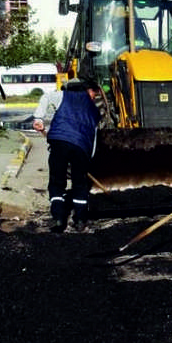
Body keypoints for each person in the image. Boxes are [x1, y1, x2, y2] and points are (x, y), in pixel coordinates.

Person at [32, 78, 101, 233]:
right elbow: (94, 139)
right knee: (80, 183)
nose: (94, 98)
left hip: (60, 143)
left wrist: (38, 118)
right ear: (87, 90)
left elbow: (46, 97)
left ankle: (58, 218)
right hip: (81, 147)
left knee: (57, 181)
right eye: (94, 94)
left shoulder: (63, 96)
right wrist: (89, 159)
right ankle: (81, 220)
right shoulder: (95, 111)